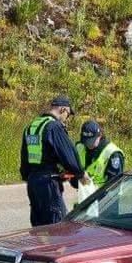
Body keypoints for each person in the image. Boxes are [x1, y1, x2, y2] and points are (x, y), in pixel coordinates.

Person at [19, 96, 88, 226]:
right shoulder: (53, 126)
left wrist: (29, 176)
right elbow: (67, 154)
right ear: (63, 109)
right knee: (58, 228)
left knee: (39, 227)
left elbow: (25, 156)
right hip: (48, 183)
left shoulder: (32, 126)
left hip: (33, 183)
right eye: (68, 114)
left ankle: (40, 247)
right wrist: (80, 173)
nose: (67, 119)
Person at [74, 120, 125, 191]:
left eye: (91, 141)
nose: (88, 144)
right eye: (85, 141)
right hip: (86, 193)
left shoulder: (113, 153)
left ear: (99, 136)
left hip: (107, 197)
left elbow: (115, 183)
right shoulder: (80, 146)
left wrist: (94, 189)